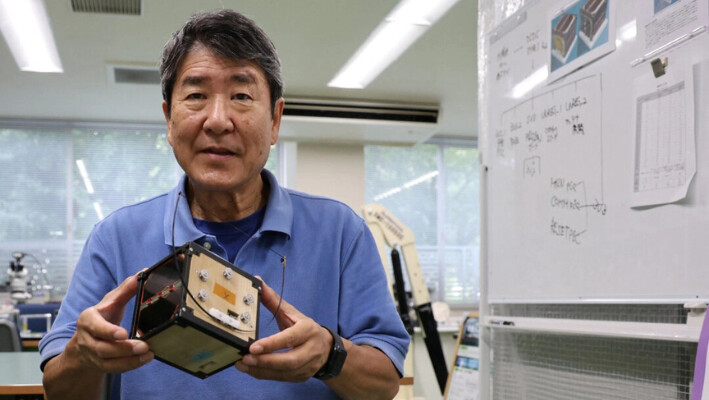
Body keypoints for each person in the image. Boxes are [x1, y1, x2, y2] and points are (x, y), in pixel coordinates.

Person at [39, 9, 409, 400]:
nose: (218, 120)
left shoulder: (340, 232)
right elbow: (59, 389)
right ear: (168, 119)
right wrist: (83, 354)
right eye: (196, 95)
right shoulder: (115, 238)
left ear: (275, 121)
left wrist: (329, 356)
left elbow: (384, 383)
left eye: (242, 96)